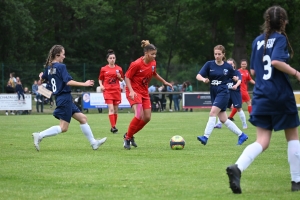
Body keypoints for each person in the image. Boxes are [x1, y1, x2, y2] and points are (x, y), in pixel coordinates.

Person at [226, 6, 300, 193]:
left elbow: (253, 71)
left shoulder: (257, 41)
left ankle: (238, 167)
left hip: (261, 95)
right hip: (280, 94)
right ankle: (296, 182)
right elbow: (275, 61)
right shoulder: (280, 38)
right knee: (292, 135)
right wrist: (296, 73)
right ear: (283, 21)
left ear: (266, 21)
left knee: (263, 140)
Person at [32, 45, 107, 151]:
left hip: (62, 98)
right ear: (57, 55)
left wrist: (41, 76)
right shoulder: (61, 67)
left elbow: (43, 79)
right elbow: (68, 81)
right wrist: (84, 84)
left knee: (83, 119)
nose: (64, 56)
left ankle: (93, 143)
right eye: (63, 54)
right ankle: (39, 135)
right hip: (64, 98)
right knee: (63, 128)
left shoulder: (49, 68)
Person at [123, 40, 172, 149]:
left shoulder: (153, 63)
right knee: (138, 115)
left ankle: (129, 135)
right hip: (134, 92)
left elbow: (154, 73)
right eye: (152, 54)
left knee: (147, 117)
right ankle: (127, 139)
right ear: (146, 53)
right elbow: (127, 77)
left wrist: (164, 82)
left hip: (144, 92)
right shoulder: (136, 64)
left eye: (155, 54)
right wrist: (131, 91)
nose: (154, 56)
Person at [196, 45, 248, 146]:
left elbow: (237, 76)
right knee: (223, 119)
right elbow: (198, 75)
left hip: (223, 92)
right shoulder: (209, 64)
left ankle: (205, 137)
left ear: (223, 54)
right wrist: (203, 79)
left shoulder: (227, 67)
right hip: (214, 92)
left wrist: (236, 79)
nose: (217, 56)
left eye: (219, 54)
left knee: (212, 113)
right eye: (215, 54)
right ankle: (241, 135)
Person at [214, 58, 247, 129]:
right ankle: (218, 124)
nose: (229, 65)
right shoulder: (225, 73)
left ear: (234, 65)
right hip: (226, 92)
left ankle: (244, 124)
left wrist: (236, 83)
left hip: (235, 92)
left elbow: (239, 80)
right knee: (220, 107)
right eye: (228, 64)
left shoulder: (236, 72)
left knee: (238, 108)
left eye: (231, 64)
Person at [98, 49, 124, 134]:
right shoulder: (104, 69)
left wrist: (119, 77)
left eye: (114, 58)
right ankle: (113, 127)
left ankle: (113, 126)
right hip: (108, 91)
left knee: (116, 110)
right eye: (111, 58)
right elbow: (100, 79)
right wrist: (101, 85)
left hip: (116, 90)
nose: (112, 59)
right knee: (111, 109)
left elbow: (121, 79)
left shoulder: (119, 68)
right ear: (107, 59)